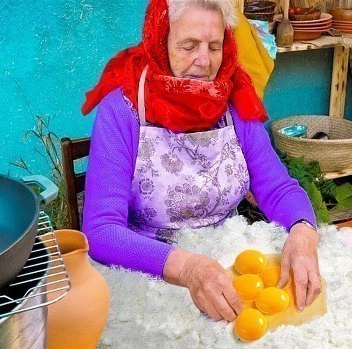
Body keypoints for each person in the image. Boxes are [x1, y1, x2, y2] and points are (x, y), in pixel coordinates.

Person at [81, 0, 321, 322]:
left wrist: (303, 232)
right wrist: (189, 268)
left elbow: (278, 189)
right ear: (160, 41)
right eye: (189, 46)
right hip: (146, 274)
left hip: (225, 263)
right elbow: (100, 230)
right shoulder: (121, 113)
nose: (204, 61)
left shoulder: (235, 103)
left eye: (214, 46)